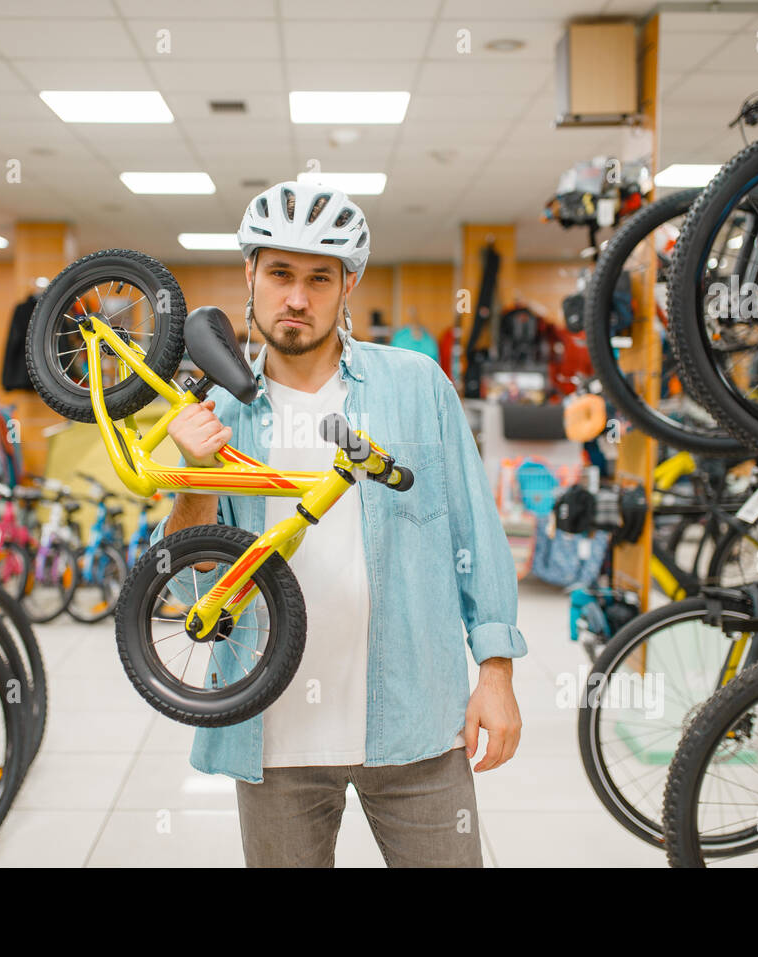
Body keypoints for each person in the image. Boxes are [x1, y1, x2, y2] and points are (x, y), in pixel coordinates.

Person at [148, 181, 528, 867]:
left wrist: (495, 672)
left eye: (319, 278)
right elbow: (188, 586)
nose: (297, 298)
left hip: (416, 725)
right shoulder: (213, 414)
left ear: (348, 283)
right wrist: (192, 471)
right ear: (250, 274)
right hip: (271, 736)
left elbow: (475, 533)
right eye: (281, 274)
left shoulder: (415, 385)